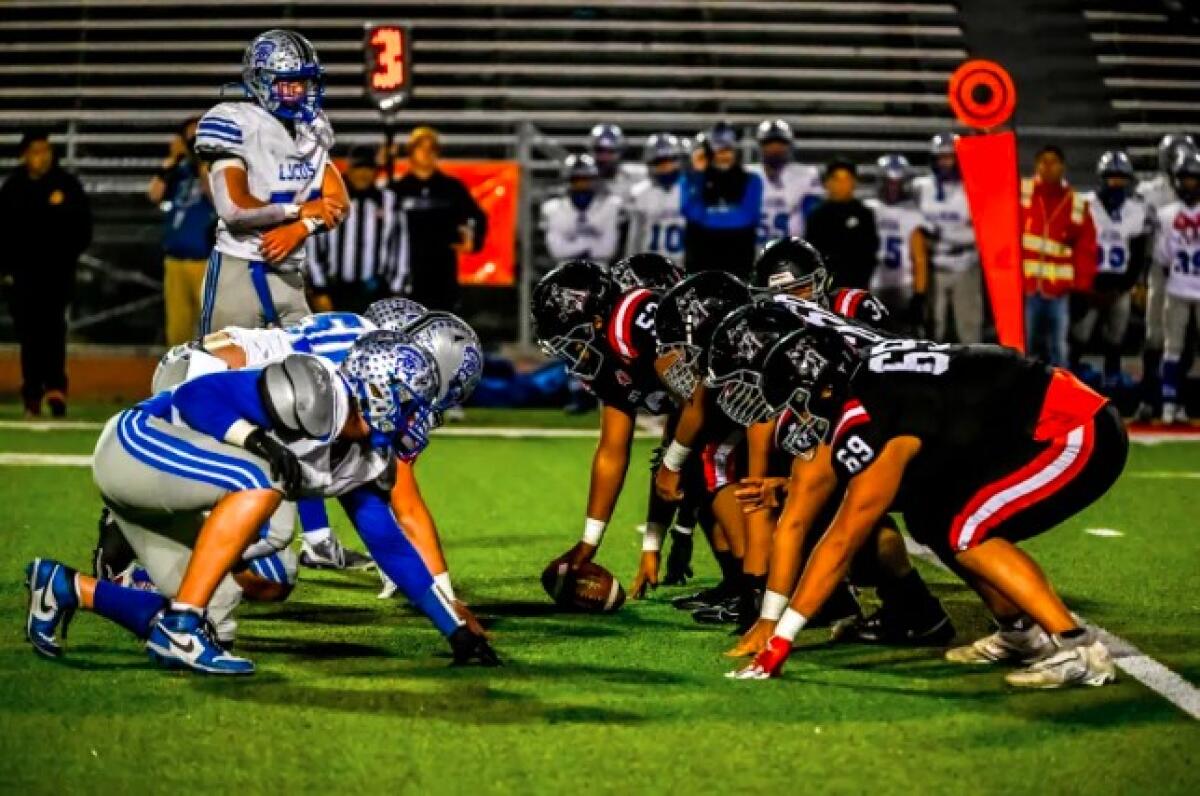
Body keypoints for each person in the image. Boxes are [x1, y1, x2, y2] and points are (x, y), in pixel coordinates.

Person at [26, 331, 498, 674]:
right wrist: (258, 441)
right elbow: (194, 396)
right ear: (381, 392)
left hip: (180, 487)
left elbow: (388, 543)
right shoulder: (317, 390)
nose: (419, 417)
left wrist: (451, 627)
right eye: (412, 404)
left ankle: (66, 588)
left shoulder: (368, 456)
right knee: (261, 479)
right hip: (135, 446)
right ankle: (182, 624)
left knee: (221, 609)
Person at [733, 328, 1127, 689]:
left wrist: (781, 635)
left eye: (797, 404)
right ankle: (1019, 633)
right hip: (1027, 426)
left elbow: (842, 540)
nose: (797, 418)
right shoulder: (868, 379)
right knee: (931, 519)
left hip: (1069, 426)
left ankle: (1078, 648)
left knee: (964, 530)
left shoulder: (871, 414)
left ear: (824, 389)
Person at [530, 260, 679, 579]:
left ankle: (754, 591)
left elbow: (696, 411)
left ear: (595, 321)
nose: (574, 356)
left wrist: (672, 534)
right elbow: (612, 452)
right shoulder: (611, 358)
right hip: (706, 416)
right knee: (694, 465)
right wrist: (589, 542)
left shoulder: (632, 328)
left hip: (744, 410)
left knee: (708, 467)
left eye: (572, 342)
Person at [196, 29, 349, 334]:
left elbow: (339, 204)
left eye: (303, 81)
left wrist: (300, 229)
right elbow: (234, 209)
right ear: (261, 80)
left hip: (290, 275)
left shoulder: (311, 128)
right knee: (225, 374)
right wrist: (298, 212)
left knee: (301, 376)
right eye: (287, 82)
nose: (299, 91)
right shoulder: (235, 121)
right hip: (239, 271)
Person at [0, 131, 92, 418]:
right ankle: (31, 393)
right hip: (22, 275)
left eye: (46, 150)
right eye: (36, 151)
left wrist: (67, 258)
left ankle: (55, 390)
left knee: (54, 331)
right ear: (24, 155)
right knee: (29, 335)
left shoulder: (67, 185)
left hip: (57, 274)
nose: (42, 156)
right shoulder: (13, 187)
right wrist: (5, 269)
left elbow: (83, 227)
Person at [1070, 151, 1152, 387]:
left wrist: (1126, 284)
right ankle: (1072, 375)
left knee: (1116, 335)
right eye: (1112, 178)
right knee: (1080, 334)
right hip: (1089, 283)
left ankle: (1112, 376)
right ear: (1102, 178)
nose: (1116, 183)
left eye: (1121, 178)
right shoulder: (1085, 204)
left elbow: (1137, 252)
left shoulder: (1136, 210)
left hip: (1119, 284)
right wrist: (1083, 283)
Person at [1135, 133, 1197, 421]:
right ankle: (1149, 398)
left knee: (1184, 337)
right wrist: (1138, 278)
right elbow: (1137, 237)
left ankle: (1177, 398)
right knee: (1155, 335)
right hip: (1159, 269)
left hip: (1188, 271)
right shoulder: (1150, 191)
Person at [391, 126, 487, 311]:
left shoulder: (452, 188)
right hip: (406, 271)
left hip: (443, 271)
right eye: (421, 148)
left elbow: (477, 216)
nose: (427, 153)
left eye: (432, 149)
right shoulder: (397, 190)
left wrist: (473, 242)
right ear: (411, 152)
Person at [1021, 144, 1097, 367]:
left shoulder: (1076, 204)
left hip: (1059, 292)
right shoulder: (1021, 193)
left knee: (1059, 350)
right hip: (1027, 289)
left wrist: (1082, 289)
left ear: (1062, 167)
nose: (1048, 167)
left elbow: (1086, 250)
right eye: (1043, 161)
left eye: (1053, 162)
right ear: (1036, 165)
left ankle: (1060, 398)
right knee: (1027, 350)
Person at [306, 145, 401, 314]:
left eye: (368, 168)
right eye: (358, 168)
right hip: (335, 290)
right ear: (349, 169)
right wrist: (319, 289)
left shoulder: (389, 201)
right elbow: (313, 245)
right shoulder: (328, 199)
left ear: (375, 171)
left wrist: (396, 291)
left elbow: (399, 249)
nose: (363, 174)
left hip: (375, 292)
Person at [147, 117, 217, 346]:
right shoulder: (179, 171)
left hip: (204, 260)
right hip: (175, 259)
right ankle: (179, 377)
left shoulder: (216, 168)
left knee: (209, 327)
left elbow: (215, 197)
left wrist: (202, 163)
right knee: (178, 330)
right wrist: (170, 163)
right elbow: (154, 194)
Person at [913, 133, 982, 344]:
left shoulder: (973, 186)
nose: (945, 163)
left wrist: (944, 235)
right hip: (933, 266)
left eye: (950, 157)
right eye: (941, 157)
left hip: (965, 263)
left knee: (968, 327)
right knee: (933, 326)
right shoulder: (921, 187)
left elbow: (982, 232)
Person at [681, 122, 763, 278]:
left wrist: (708, 217)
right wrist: (699, 174)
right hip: (701, 263)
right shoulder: (692, 179)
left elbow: (746, 217)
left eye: (728, 150)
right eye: (718, 151)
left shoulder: (751, 180)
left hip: (738, 262)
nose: (724, 156)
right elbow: (691, 212)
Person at [1155, 151, 1200, 424]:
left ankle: (1175, 403)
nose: (1190, 185)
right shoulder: (1167, 215)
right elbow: (1162, 258)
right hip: (1178, 287)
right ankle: (1169, 402)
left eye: (1194, 179)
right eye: (1185, 179)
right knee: (1172, 348)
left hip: (1187, 283)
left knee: (1177, 348)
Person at [866, 154, 931, 334]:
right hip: (874, 283)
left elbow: (919, 258)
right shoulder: (869, 209)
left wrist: (919, 295)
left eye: (897, 183)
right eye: (889, 182)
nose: (893, 188)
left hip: (903, 285)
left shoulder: (911, 211)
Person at [804, 157, 879, 290]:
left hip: (856, 287)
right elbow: (811, 255)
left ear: (854, 182)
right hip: (824, 288)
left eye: (847, 179)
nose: (841, 184)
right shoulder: (817, 216)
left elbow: (869, 254)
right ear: (827, 182)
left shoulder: (864, 214)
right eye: (836, 179)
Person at [748, 119, 823, 244]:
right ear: (760, 146)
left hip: (792, 250)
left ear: (789, 146)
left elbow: (815, 220)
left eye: (781, 143)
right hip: (753, 249)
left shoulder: (806, 175)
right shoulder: (747, 175)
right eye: (769, 143)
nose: (775, 148)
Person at [540, 154, 622, 265]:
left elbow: (607, 250)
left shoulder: (610, 206)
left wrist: (574, 246)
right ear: (567, 181)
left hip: (599, 270)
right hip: (565, 271)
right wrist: (588, 244)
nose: (581, 185)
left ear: (594, 180)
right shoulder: (553, 208)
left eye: (585, 180)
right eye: (576, 181)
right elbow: (557, 251)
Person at [626, 133, 687, 268]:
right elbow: (634, 238)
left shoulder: (690, 190)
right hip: (650, 266)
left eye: (669, 162)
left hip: (684, 264)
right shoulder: (641, 192)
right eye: (660, 163)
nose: (665, 168)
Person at [589, 123, 647, 206]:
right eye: (600, 150)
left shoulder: (637, 174)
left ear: (620, 151)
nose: (604, 156)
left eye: (610, 151)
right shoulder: (583, 179)